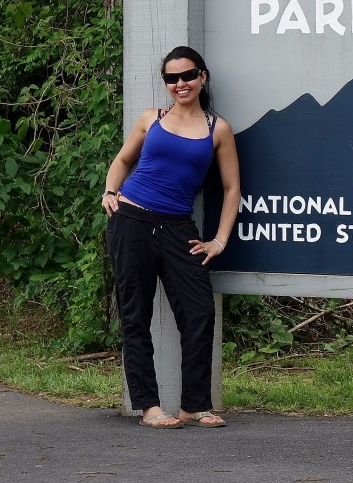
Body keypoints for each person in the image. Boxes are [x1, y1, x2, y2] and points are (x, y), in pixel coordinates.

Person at [102, 46, 242, 429]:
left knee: (199, 312)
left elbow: (232, 191)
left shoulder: (219, 129)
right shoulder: (152, 119)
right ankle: (149, 407)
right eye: (172, 78)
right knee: (135, 315)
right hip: (131, 222)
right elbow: (122, 160)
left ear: (203, 77)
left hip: (179, 228)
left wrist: (219, 240)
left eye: (188, 75)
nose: (180, 84)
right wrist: (110, 192)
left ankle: (194, 405)